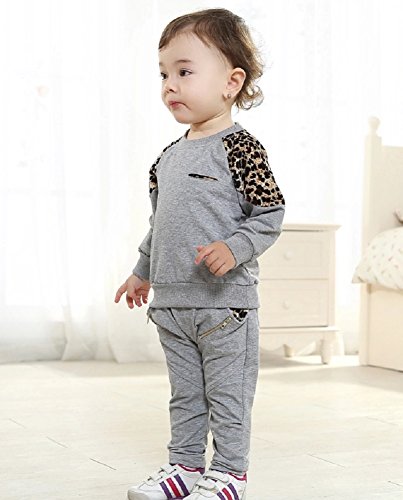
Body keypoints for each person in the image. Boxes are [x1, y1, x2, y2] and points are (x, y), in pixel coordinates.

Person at [114, 7, 286, 500]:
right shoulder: (165, 160)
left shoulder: (241, 149)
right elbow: (160, 225)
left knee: (228, 398)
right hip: (172, 306)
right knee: (185, 396)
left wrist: (234, 248)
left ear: (232, 82)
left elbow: (269, 214)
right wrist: (141, 271)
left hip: (225, 308)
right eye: (164, 74)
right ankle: (186, 467)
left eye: (185, 72)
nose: (170, 85)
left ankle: (230, 474)